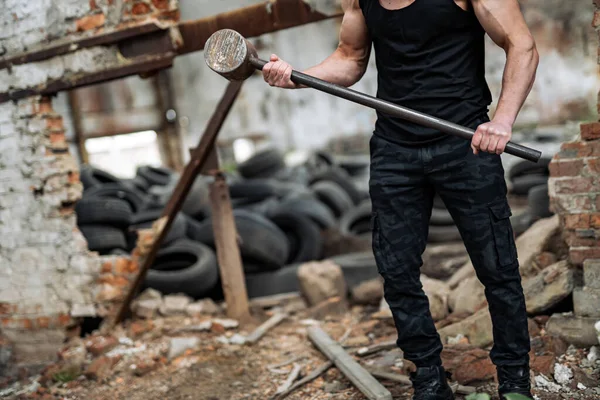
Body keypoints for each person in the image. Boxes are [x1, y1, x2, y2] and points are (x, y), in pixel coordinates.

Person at [261, 0, 539, 399]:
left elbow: (521, 44)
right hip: (395, 148)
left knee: (497, 266)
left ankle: (514, 380)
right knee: (396, 270)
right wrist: (298, 77)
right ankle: (427, 376)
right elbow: (350, 57)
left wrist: (503, 120)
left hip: (465, 141)